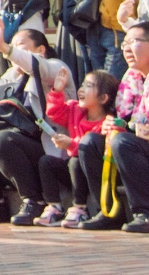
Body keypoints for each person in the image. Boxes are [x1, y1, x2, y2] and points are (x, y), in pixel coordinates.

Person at [0, 20, 76, 225]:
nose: (10, 53)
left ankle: (34, 200)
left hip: (50, 152)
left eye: (18, 46)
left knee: (2, 139)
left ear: (40, 49)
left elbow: (37, 66)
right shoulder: (12, 75)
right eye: (10, 46)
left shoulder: (55, 68)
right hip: (17, 147)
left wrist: (4, 47)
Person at [83, 20, 149, 232]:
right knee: (91, 142)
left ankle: (147, 213)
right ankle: (108, 211)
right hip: (140, 141)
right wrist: (112, 123)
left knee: (123, 142)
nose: (126, 48)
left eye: (133, 42)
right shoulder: (131, 78)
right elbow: (126, 121)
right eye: (124, 43)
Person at [36, 67, 119, 226]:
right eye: (82, 84)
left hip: (95, 173)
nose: (81, 89)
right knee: (46, 162)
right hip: (74, 173)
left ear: (103, 98)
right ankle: (55, 207)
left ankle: (80, 209)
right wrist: (57, 90)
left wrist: (71, 144)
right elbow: (55, 113)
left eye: (89, 86)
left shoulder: (108, 122)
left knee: (75, 161)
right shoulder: (76, 109)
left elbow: (92, 150)